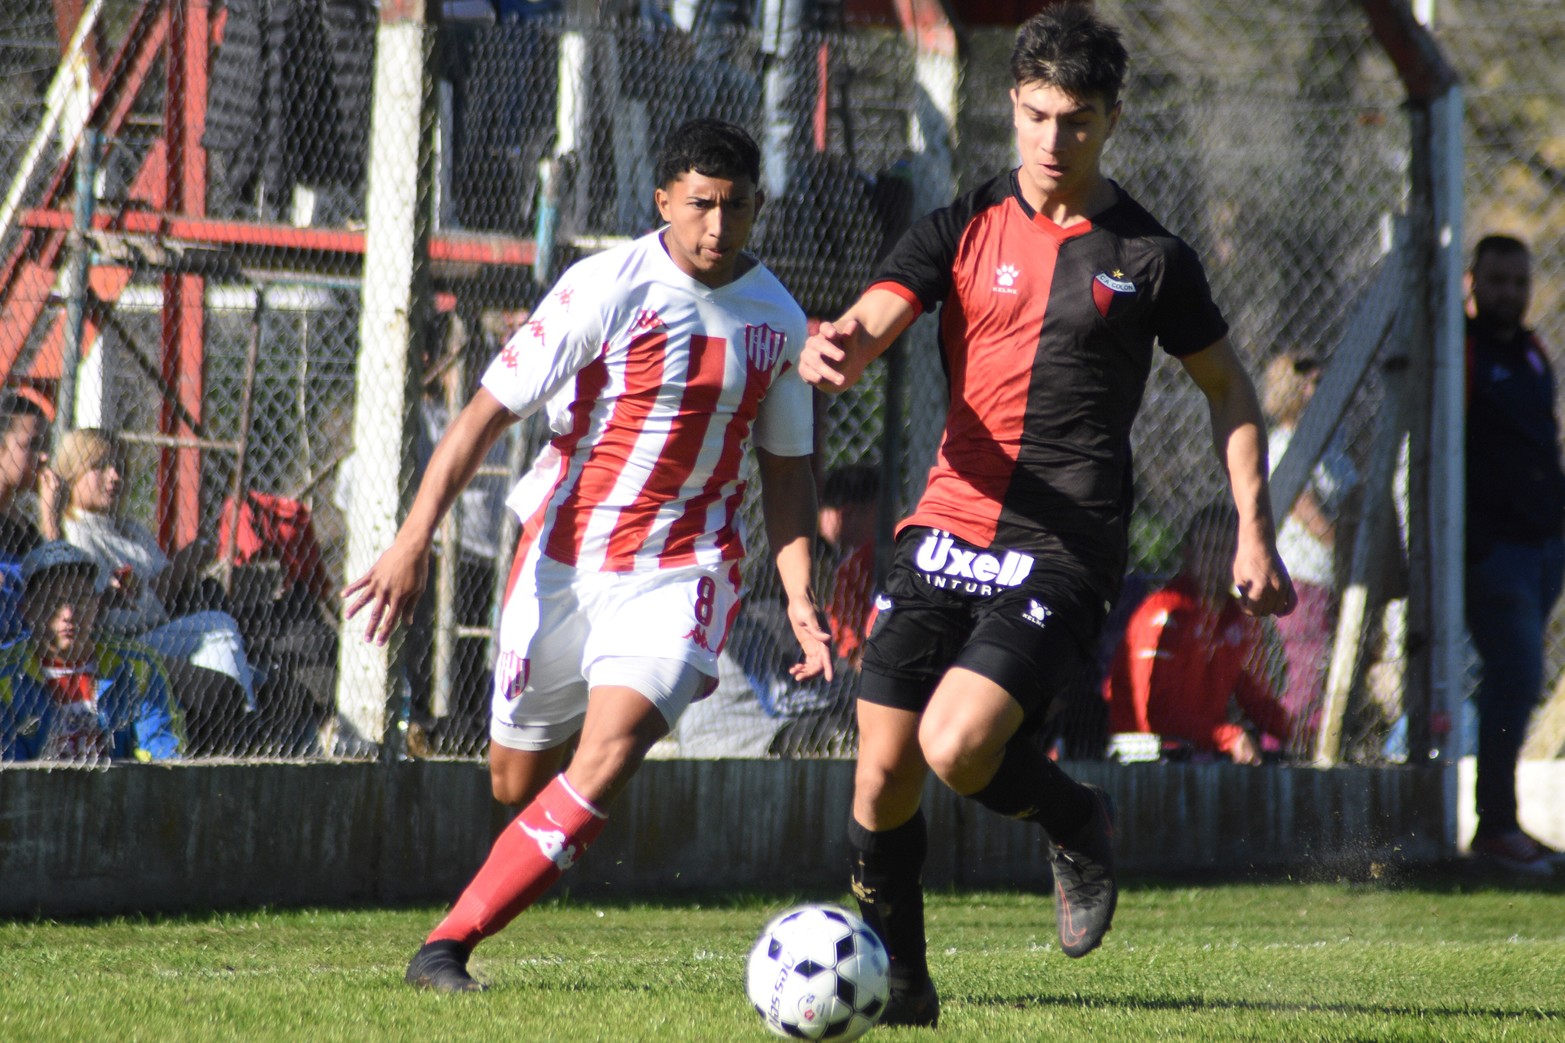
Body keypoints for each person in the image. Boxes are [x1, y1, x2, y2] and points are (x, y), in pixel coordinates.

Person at [797, 6, 1295, 1025]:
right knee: (880, 771)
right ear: (1008, 108)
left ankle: (1072, 814)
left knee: (956, 743)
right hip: (943, 525)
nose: (1050, 141)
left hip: (1060, 546)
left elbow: (1229, 391)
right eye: (1033, 115)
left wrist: (1252, 525)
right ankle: (902, 982)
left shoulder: (1149, 257)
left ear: (1110, 119)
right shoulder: (960, 225)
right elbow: (878, 311)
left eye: (1073, 120)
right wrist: (839, 343)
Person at [343, 117, 829, 992]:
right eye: (701, 206)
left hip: (688, 569)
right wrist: (412, 539)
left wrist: (798, 592)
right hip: (562, 560)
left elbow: (786, 472)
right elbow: (485, 415)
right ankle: (552, 831)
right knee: (513, 779)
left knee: (608, 751)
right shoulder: (604, 287)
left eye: (738, 208)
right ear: (663, 202)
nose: (720, 228)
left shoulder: (780, 319)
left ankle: (444, 946)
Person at [53, 428, 258, 751]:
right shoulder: (74, 532)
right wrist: (170, 576)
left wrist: (179, 571)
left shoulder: (131, 529)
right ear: (72, 473)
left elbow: (160, 594)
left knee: (228, 648)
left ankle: (242, 728)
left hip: (157, 632)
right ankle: (248, 726)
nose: (115, 476)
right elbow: (136, 605)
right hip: (121, 644)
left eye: (120, 466)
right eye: (101, 466)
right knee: (218, 629)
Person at [1462, 234, 1565, 877]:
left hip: (1543, 544)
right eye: (1496, 281)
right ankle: (1495, 825)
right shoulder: (1461, 353)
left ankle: (1502, 823)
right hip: (1494, 548)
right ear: (1471, 283)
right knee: (1518, 676)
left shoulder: (1532, 352)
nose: (1509, 294)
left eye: (1519, 282)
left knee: (1512, 682)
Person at [1102, 504, 1293, 763]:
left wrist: (1293, 730)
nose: (1217, 561)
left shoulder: (1234, 618)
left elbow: (1250, 692)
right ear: (1188, 554)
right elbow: (1155, 713)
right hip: (1145, 754)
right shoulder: (1165, 612)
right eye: (1209, 549)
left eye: (1227, 551)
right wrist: (1228, 737)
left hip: (1199, 750)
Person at [0, 540, 185, 762]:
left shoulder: (137, 665)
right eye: (53, 601)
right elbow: (10, 767)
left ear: (97, 604)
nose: (68, 613)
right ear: (27, 609)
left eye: (79, 598)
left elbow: (162, 749)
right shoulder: (7, 677)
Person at [1263, 351, 1359, 754]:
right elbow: (1310, 514)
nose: (1321, 392)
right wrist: (1347, 548)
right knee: (1308, 670)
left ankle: (1321, 751)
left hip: (1337, 578)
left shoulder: (1331, 445)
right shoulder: (1284, 444)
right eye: (1312, 384)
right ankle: (1277, 750)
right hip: (1302, 578)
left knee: (1334, 672)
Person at [819, 463, 881, 671]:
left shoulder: (853, 566)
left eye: (824, 509)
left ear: (844, 513)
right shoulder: (909, 543)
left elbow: (851, 649)